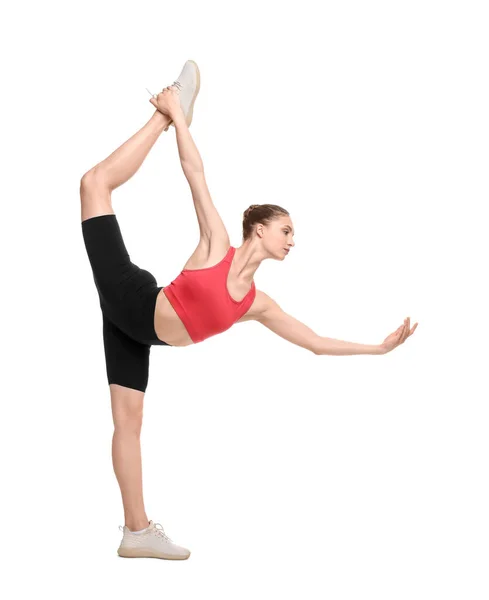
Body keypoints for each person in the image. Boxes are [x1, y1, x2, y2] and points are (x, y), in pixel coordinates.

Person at [80, 60, 418, 560]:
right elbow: (195, 173)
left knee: (129, 422)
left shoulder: (257, 305)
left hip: (137, 332)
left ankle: (136, 531)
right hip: (132, 296)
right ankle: (165, 110)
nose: (292, 241)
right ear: (259, 229)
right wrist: (175, 115)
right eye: (287, 231)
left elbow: (316, 343)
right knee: (93, 184)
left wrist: (379, 348)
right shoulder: (217, 244)